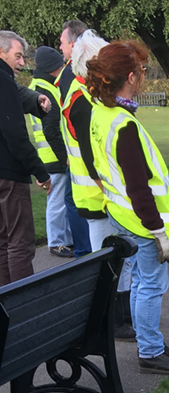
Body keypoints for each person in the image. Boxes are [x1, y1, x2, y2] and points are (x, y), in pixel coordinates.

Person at [86, 41, 169, 374]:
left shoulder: (101, 112)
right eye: (142, 71)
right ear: (130, 77)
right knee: (150, 285)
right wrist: (158, 231)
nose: (144, 76)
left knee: (144, 283)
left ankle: (151, 339)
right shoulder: (124, 125)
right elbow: (139, 186)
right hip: (141, 221)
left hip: (123, 215)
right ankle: (150, 349)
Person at [66, 29, 134, 338]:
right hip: (98, 197)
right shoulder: (81, 101)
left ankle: (121, 316)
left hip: (100, 195)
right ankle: (114, 321)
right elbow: (92, 156)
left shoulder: (85, 96)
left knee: (117, 257)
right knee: (109, 260)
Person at [0, 30, 51, 286]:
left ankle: (7, 303)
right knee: (20, 243)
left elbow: (16, 92)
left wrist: (35, 99)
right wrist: (39, 171)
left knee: (2, 242)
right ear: (1, 52)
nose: (22, 62)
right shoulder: (2, 79)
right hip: (9, 174)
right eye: (18, 56)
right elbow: (14, 134)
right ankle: (24, 305)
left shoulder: (5, 79)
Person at [30, 45, 72, 257]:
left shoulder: (41, 85)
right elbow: (51, 129)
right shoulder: (45, 90)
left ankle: (63, 239)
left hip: (49, 154)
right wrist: (65, 157)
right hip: (54, 155)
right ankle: (57, 242)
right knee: (57, 201)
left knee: (59, 200)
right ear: (52, 68)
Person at [57, 18, 91, 257]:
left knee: (75, 202)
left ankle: (83, 251)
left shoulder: (72, 72)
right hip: (80, 153)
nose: (60, 47)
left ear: (73, 43)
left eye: (62, 42)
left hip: (79, 157)